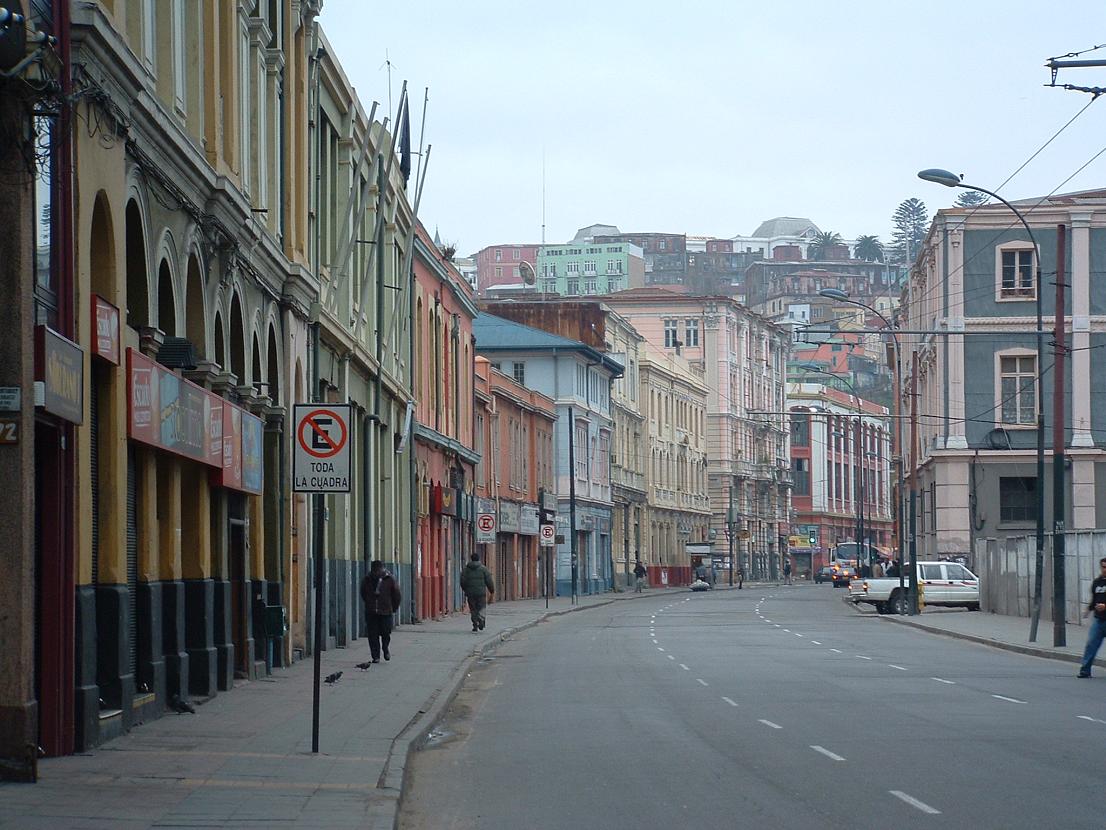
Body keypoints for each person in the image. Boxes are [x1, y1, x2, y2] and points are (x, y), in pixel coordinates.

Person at [360, 559, 402, 663]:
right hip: (371, 612)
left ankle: (385, 648)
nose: (377, 573)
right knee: (372, 634)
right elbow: (363, 593)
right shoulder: (367, 579)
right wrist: (369, 603)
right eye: (375, 571)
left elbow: (396, 594)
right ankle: (376, 656)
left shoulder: (389, 579)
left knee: (386, 632)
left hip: (386, 611)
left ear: (382, 569)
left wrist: (394, 607)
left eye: (378, 570)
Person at [1078, 557, 1106, 678]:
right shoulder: (1097, 582)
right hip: (1099, 619)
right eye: (1103, 567)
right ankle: (1085, 670)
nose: (1105, 569)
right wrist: (1088, 610)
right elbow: (1094, 599)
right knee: (1091, 644)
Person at [461, 551, 495, 632]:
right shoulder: (483, 569)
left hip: (470, 593)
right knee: (481, 607)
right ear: (478, 559)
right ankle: (481, 620)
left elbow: (462, 581)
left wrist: (465, 589)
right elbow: (489, 581)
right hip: (481, 593)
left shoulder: (466, 570)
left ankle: (475, 625)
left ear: (471, 559)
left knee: (473, 609)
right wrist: (492, 590)